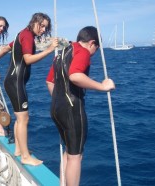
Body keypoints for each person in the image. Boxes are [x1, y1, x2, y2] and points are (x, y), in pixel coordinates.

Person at [46, 26, 115, 186]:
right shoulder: (83, 52)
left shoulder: (62, 52)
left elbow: (49, 81)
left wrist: (60, 99)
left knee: (69, 150)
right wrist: (102, 86)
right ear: (92, 43)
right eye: (96, 49)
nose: (94, 53)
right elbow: (76, 75)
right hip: (72, 110)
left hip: (56, 108)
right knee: (76, 156)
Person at [0, 12, 58, 166]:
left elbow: (7, 48)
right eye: (41, 26)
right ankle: (26, 157)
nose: (42, 30)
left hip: (12, 81)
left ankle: (19, 150)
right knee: (23, 118)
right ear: (35, 22)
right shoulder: (27, 35)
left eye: (45, 28)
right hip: (15, 82)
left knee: (19, 118)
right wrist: (48, 50)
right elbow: (28, 59)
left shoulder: (23, 34)